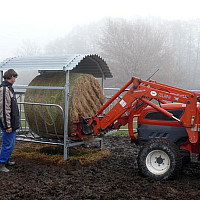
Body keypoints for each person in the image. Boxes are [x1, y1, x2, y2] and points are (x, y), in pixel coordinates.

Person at [0, 69, 20, 172]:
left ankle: (7, 159)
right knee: (7, 143)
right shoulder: (4, 89)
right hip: (8, 122)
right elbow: (4, 109)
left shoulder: (9, 88)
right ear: (10, 76)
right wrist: (7, 126)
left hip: (12, 121)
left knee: (11, 142)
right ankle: (2, 163)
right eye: (14, 77)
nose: (15, 79)